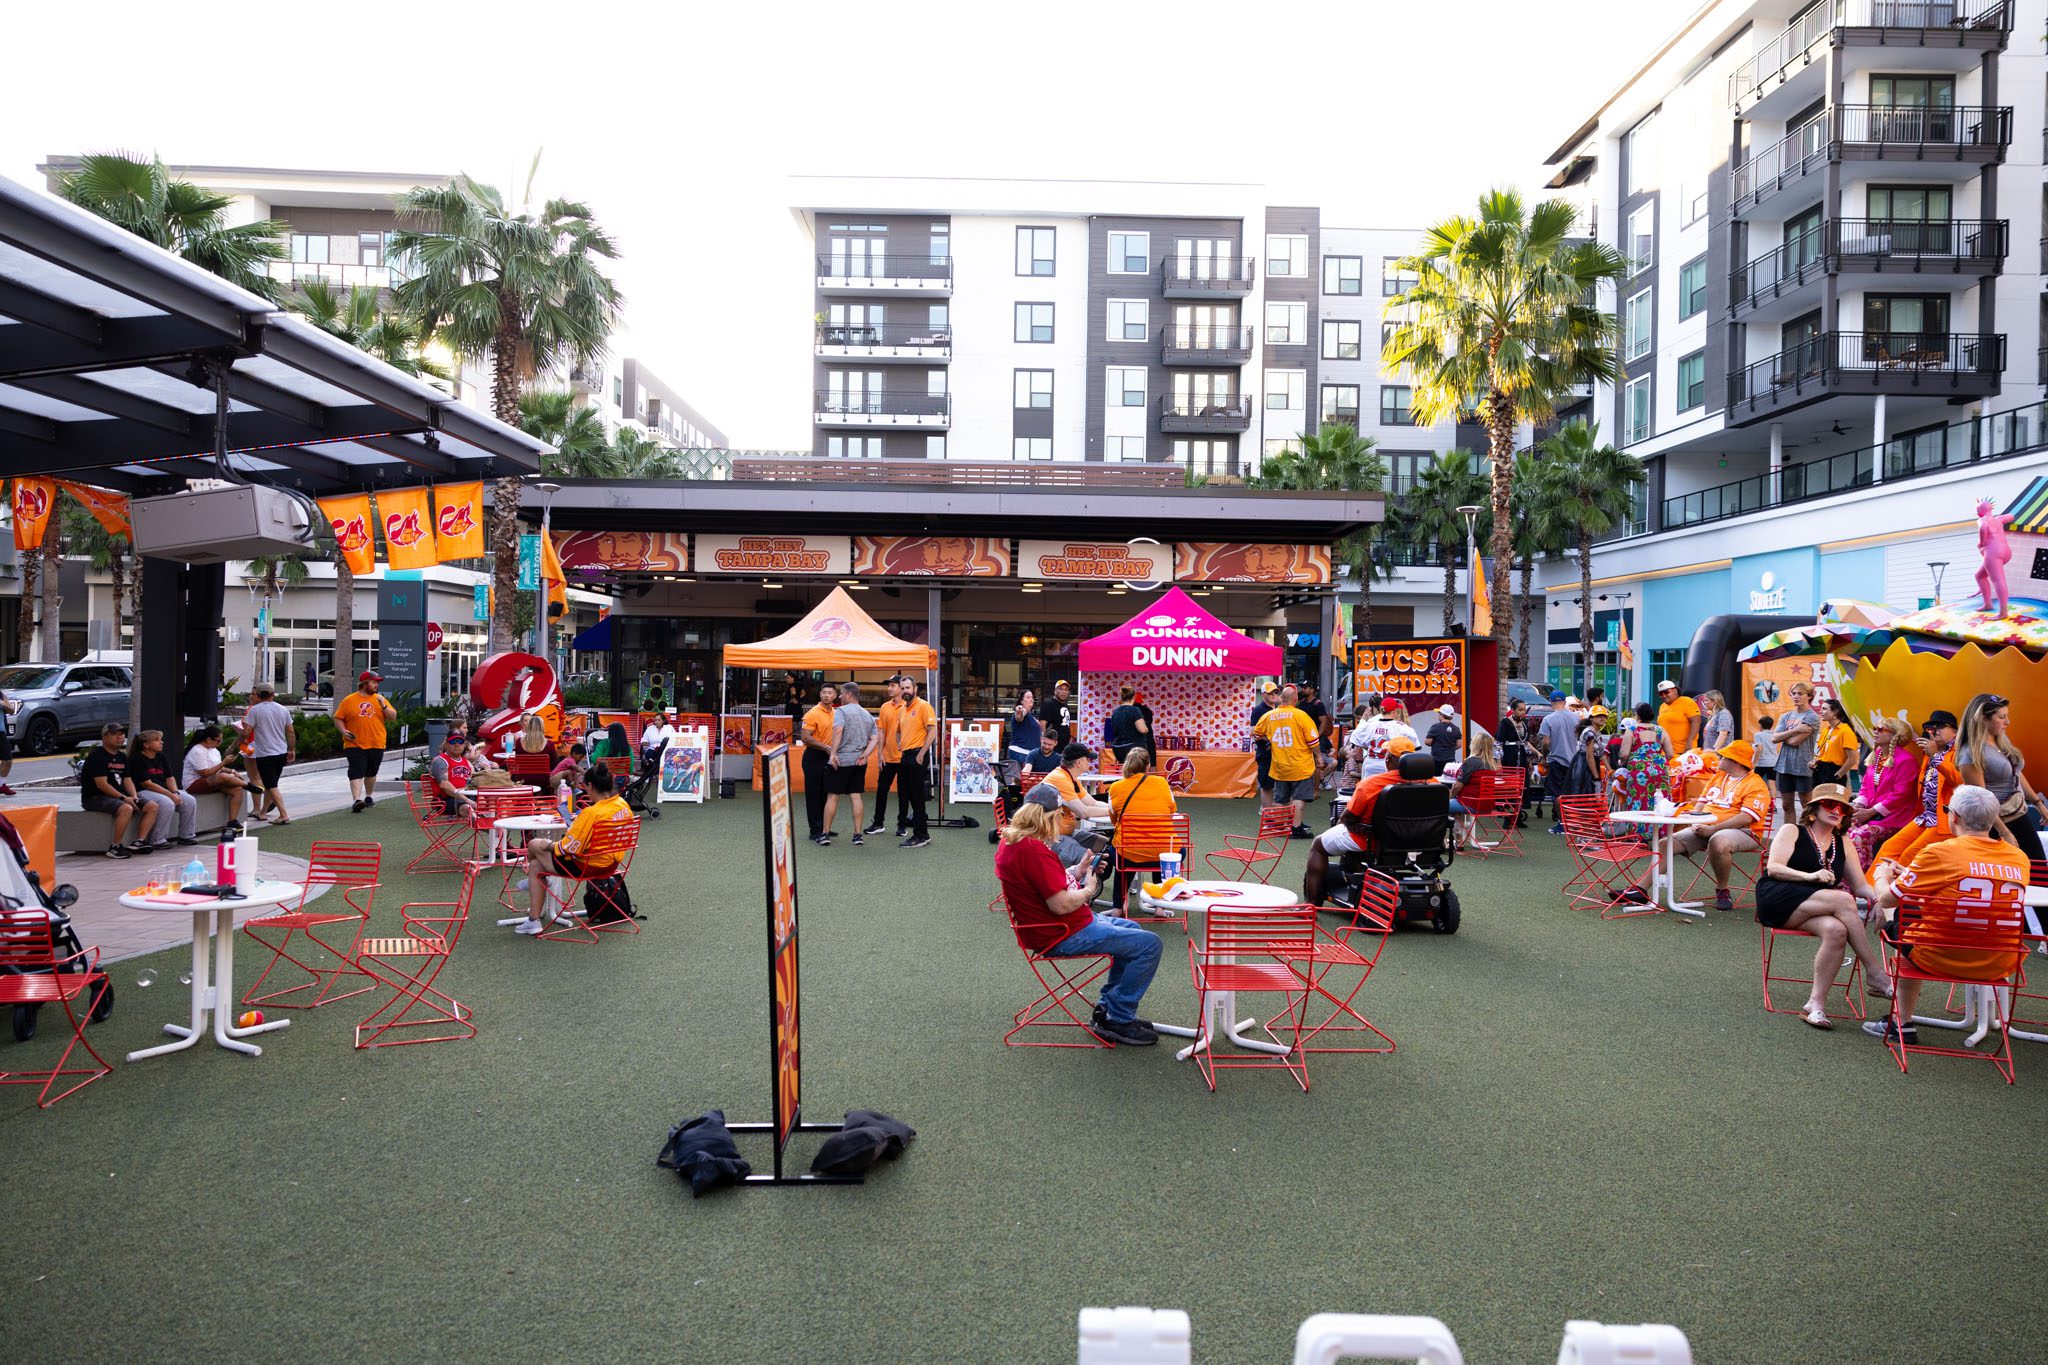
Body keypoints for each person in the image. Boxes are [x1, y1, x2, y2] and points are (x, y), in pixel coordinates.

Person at [1862, 784, 2030, 1047]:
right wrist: (1911, 873)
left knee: (1900, 912)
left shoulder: (1939, 852)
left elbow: (1887, 898)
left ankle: (1901, 1022)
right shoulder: (2019, 858)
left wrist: (1882, 876)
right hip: (2002, 962)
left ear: (1955, 817)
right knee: (1913, 916)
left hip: (1941, 956)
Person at [995, 802, 1162, 1047]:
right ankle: (1118, 1017)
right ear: (1047, 819)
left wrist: (1078, 871)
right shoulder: (1034, 851)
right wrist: (1089, 890)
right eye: (1060, 816)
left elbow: (1044, 885)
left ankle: (1108, 1011)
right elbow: (1061, 905)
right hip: (1061, 932)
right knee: (1150, 944)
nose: (1064, 821)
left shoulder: (1015, 844)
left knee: (1134, 931)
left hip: (1053, 927)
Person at [1754, 782, 1893, 1029]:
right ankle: (1875, 973)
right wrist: (1810, 876)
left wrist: (1880, 899)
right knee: (1843, 899)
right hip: (1778, 898)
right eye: (1830, 804)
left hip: (1815, 905)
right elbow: (1774, 868)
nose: (1836, 811)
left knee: (1836, 930)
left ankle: (1815, 1005)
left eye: (1843, 808)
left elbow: (1860, 885)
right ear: (1814, 808)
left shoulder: (1843, 841)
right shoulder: (1792, 830)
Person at [1616, 739, 1773, 912]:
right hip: (1706, 827)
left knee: (1718, 841)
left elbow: (1746, 818)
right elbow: (1701, 803)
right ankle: (1640, 890)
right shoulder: (1719, 777)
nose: (1718, 758)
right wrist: (1695, 822)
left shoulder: (1755, 784)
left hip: (1744, 831)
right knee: (1665, 843)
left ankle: (1723, 891)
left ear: (1735, 761)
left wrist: (1713, 828)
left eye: (1723, 756)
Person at [1302, 738, 1427, 905]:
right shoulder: (1433, 784)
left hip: (1371, 841)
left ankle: (1311, 903)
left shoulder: (1372, 783)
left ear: (1388, 759)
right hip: (1418, 843)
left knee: (1318, 845)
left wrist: (1342, 823)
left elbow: (1349, 817)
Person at [512, 763, 633, 936]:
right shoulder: (623, 805)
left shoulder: (592, 813)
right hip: (610, 866)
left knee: (534, 845)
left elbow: (568, 848)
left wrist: (548, 844)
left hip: (586, 866)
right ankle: (533, 920)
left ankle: (535, 894)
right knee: (536, 866)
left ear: (590, 785)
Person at [1868, 710, 1962, 900]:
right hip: (1925, 817)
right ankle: (1872, 894)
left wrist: (1935, 755)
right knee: (1889, 847)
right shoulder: (1930, 750)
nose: (1934, 731)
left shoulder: (1960, 752)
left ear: (1955, 731)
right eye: (1930, 728)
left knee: (1910, 855)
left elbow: (1959, 781)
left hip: (1946, 821)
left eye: (1940, 727)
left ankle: (1896, 901)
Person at [1953, 692, 2048, 864]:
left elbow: (2016, 773)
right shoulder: (1971, 754)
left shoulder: (2000, 740)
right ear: (1983, 719)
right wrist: (2005, 833)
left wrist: (2039, 804)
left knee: (2037, 867)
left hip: (2017, 814)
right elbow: (1981, 801)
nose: (2007, 722)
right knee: (2019, 869)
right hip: (1996, 824)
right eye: (2002, 717)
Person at [1105, 747, 1179, 908]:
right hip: (1164, 851)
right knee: (1162, 853)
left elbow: (1114, 820)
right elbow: (1172, 812)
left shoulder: (1116, 787)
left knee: (1122, 852)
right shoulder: (1162, 783)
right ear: (1148, 766)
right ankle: (1160, 905)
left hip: (1128, 851)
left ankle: (1118, 906)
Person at [1253, 685, 1323, 838]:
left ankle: (1279, 826)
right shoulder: (1301, 716)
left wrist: (1269, 740)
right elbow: (1312, 740)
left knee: (1280, 798)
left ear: (1281, 698)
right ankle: (1296, 828)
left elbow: (1256, 733)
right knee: (1299, 798)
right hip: (1300, 764)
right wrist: (1318, 756)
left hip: (1279, 764)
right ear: (1295, 699)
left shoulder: (1269, 716)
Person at [1846, 717, 1917, 866]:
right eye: (1875, 728)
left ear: (1894, 735)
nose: (1875, 732)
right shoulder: (1877, 755)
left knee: (1859, 836)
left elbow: (1901, 795)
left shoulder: (1906, 760)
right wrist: (1859, 806)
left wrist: (1871, 811)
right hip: (1872, 814)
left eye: (1880, 729)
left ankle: (1862, 874)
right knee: (1842, 827)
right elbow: (1866, 786)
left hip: (1894, 818)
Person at [80, 722, 154, 857]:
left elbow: (127, 779)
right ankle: (115, 847)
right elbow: (102, 784)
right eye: (115, 734)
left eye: (122, 734)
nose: (120, 737)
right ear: (104, 736)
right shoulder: (97, 756)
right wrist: (124, 798)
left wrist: (134, 796)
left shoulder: (122, 756)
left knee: (152, 806)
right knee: (126, 808)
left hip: (119, 795)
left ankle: (139, 842)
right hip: (95, 797)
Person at [823, 681, 877, 847]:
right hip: (859, 762)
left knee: (833, 796)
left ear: (848, 694)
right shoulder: (867, 714)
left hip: (841, 761)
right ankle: (857, 835)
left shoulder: (841, 711)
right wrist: (865, 754)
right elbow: (875, 738)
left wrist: (833, 754)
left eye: (841, 693)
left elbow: (838, 730)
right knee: (856, 796)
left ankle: (825, 834)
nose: (839, 696)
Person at [336, 669, 397, 812]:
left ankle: (368, 796)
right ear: (364, 684)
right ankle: (357, 800)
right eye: (374, 682)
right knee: (356, 771)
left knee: (371, 773)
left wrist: (384, 706)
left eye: (377, 683)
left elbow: (393, 716)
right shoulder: (349, 700)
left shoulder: (380, 699)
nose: (376, 685)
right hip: (354, 743)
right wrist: (343, 730)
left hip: (376, 742)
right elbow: (338, 718)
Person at [129, 729, 198, 850]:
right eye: (157, 740)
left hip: (162, 790)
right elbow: (147, 784)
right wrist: (170, 795)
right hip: (143, 791)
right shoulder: (137, 758)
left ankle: (186, 836)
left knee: (190, 800)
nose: (161, 742)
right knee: (167, 803)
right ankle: (158, 840)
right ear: (146, 745)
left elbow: (170, 778)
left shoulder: (160, 756)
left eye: (160, 739)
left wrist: (175, 792)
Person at [240, 683, 296, 825]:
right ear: (273, 694)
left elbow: (246, 732)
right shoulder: (283, 709)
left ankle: (283, 814)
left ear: (258, 695)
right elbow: (290, 732)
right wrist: (291, 749)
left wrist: (239, 743)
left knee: (271, 785)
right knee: (272, 784)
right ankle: (263, 812)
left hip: (265, 753)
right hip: (281, 752)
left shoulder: (255, 710)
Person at [890, 676, 936, 849]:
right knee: (909, 795)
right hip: (906, 756)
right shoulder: (902, 708)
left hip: (918, 755)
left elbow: (932, 731)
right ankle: (921, 833)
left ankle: (920, 835)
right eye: (902, 688)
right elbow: (898, 731)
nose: (905, 691)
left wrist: (922, 753)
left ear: (915, 688)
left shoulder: (924, 706)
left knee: (917, 796)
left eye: (908, 687)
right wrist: (900, 744)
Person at [1770, 683, 1823, 825]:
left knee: (1807, 806)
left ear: (1809, 696)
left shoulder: (1812, 717)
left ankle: (1808, 834)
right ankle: (1790, 834)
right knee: (1786, 805)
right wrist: (1796, 730)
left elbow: (1794, 742)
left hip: (1803, 766)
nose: (1795, 696)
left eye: (1800, 693)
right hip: (1784, 766)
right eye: (1793, 693)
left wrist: (1783, 736)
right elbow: (1774, 738)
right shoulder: (1786, 716)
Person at [181, 724, 250, 831]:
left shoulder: (214, 750)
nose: (220, 743)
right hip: (194, 783)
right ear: (209, 739)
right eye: (218, 741)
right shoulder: (197, 751)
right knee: (222, 776)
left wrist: (232, 771)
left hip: (212, 781)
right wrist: (224, 763)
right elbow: (205, 773)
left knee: (237, 789)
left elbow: (216, 767)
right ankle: (248, 785)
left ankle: (232, 821)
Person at [1611, 703, 1674, 812]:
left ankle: (1639, 823)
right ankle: (1659, 823)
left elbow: (1624, 754)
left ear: (1638, 715)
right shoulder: (1661, 730)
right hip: (1660, 771)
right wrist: (1655, 760)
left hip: (1638, 772)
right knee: (1659, 801)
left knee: (1638, 800)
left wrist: (1623, 761)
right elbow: (1670, 754)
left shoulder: (1632, 730)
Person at [1447, 729, 1500, 847]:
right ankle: (1458, 840)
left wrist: (1451, 795)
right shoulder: (1492, 763)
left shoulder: (1471, 762)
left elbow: (1458, 786)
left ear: (1475, 745)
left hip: (1471, 803)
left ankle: (1445, 839)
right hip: (1487, 804)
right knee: (1455, 807)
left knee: (1440, 805)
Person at [1535, 692, 1580, 833]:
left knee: (1557, 794)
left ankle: (1562, 824)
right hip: (1573, 761)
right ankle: (1573, 822)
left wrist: (1544, 756)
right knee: (1572, 793)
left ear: (1551, 702)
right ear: (1565, 702)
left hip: (1556, 760)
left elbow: (1545, 742)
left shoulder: (1548, 719)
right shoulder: (1576, 717)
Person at [867, 677, 906, 839]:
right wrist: (880, 753)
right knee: (882, 790)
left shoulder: (909, 705)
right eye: (889, 686)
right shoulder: (884, 707)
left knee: (904, 793)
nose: (889, 688)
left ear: (901, 688)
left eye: (892, 686)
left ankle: (902, 825)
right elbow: (881, 731)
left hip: (905, 758)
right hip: (887, 758)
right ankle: (878, 823)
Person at [800, 683, 839, 843]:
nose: (827, 695)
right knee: (814, 795)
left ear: (835, 695)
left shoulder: (836, 713)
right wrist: (825, 747)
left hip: (829, 756)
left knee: (826, 793)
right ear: (820, 695)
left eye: (830, 693)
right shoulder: (813, 713)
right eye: (824, 692)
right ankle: (815, 830)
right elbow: (805, 737)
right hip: (814, 756)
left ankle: (825, 828)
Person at [1348, 698, 1420, 779]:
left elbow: (1355, 740)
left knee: (1370, 786)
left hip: (1370, 763)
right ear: (1394, 711)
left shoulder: (1370, 724)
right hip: (1389, 764)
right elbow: (1415, 748)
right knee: (1389, 786)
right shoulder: (1402, 727)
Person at [1496, 697, 1533, 828]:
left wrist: (1529, 761)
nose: (1523, 712)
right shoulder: (1505, 722)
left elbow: (1526, 743)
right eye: (1520, 710)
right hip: (1509, 758)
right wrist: (1498, 762)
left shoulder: (1525, 723)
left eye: (1524, 710)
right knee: (1509, 787)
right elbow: (1498, 743)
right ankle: (1507, 817)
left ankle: (1517, 817)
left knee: (1521, 787)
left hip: (1522, 759)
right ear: (1513, 710)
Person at [1812, 699, 1861, 790]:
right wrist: (1815, 762)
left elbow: (1852, 759)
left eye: (1824, 709)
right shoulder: (1826, 730)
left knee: (1832, 799)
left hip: (1834, 771)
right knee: (1817, 798)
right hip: (1820, 771)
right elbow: (1822, 753)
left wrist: (1838, 775)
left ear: (1835, 712)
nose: (1820, 711)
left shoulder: (1845, 731)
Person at [429, 733, 478, 818]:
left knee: (491, 801)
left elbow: (473, 782)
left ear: (464, 745)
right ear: (446, 744)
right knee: (467, 808)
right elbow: (444, 785)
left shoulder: (467, 763)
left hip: (467, 796)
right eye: (453, 741)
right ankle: (483, 825)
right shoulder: (440, 761)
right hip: (445, 801)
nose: (457, 744)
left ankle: (493, 825)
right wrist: (467, 800)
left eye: (460, 741)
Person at [1296, 680, 1334, 785]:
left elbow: (1323, 722)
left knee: (1316, 763)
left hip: (1315, 738)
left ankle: (1316, 790)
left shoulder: (1318, 704)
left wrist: (1316, 736)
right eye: (1302, 687)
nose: (1303, 689)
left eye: (1305, 687)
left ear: (1312, 690)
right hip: (1302, 738)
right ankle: (1305, 785)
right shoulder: (1301, 703)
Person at [1250, 682, 1281, 801]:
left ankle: (1273, 807)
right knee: (1267, 785)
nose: (1273, 695)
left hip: (1279, 753)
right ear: (1263, 694)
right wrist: (1271, 740)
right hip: (1266, 753)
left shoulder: (1279, 709)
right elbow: (1254, 731)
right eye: (1270, 693)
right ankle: (1265, 809)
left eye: (1275, 692)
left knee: (1280, 785)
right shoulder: (1259, 710)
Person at [1106, 686, 1150, 764]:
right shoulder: (1135, 710)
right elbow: (1142, 730)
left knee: (1125, 769)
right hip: (1134, 749)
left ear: (1122, 697)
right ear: (1134, 697)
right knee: (1137, 770)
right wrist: (1146, 728)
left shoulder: (1115, 712)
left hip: (1118, 749)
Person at [1656, 679, 1701, 753]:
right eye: (1661, 694)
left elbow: (1696, 721)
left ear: (1675, 690)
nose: (1664, 695)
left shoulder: (1686, 701)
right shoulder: (1662, 706)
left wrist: (1690, 742)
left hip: (1684, 751)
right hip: (1666, 751)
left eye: (1666, 692)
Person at [1006, 689, 1042, 775]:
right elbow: (1019, 716)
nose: (1031, 699)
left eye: (1032, 697)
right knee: (1019, 779)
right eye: (1028, 697)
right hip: (1021, 752)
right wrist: (1019, 711)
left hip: (1029, 753)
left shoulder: (1031, 716)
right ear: (1022, 701)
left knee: (1025, 780)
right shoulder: (1023, 711)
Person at [1423, 703, 1462, 772]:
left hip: (1436, 761)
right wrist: (1449, 748)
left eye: (1439, 714)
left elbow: (1427, 742)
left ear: (1442, 715)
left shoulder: (1435, 727)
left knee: (1437, 778)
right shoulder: (1456, 729)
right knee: (1448, 778)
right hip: (1450, 762)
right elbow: (1459, 745)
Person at [1038, 679, 1076, 750]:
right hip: (1052, 746)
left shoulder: (1066, 706)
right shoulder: (1048, 704)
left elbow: (1066, 724)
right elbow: (1042, 724)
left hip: (1065, 747)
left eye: (1066, 690)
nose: (1063, 692)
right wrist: (1045, 741)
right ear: (1055, 691)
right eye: (1061, 689)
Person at [1750, 712, 1780, 786]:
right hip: (1773, 762)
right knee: (1772, 783)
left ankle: (1758, 793)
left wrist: (1754, 763)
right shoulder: (1775, 735)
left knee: (1756, 782)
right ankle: (1772, 794)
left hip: (1761, 763)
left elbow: (1759, 749)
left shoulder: (1758, 735)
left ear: (1760, 725)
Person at [0, 675, 18, 795]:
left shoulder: (1, 694)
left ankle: (1, 784)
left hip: (1, 731)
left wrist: (2, 703)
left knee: (7, 759)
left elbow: (12, 710)